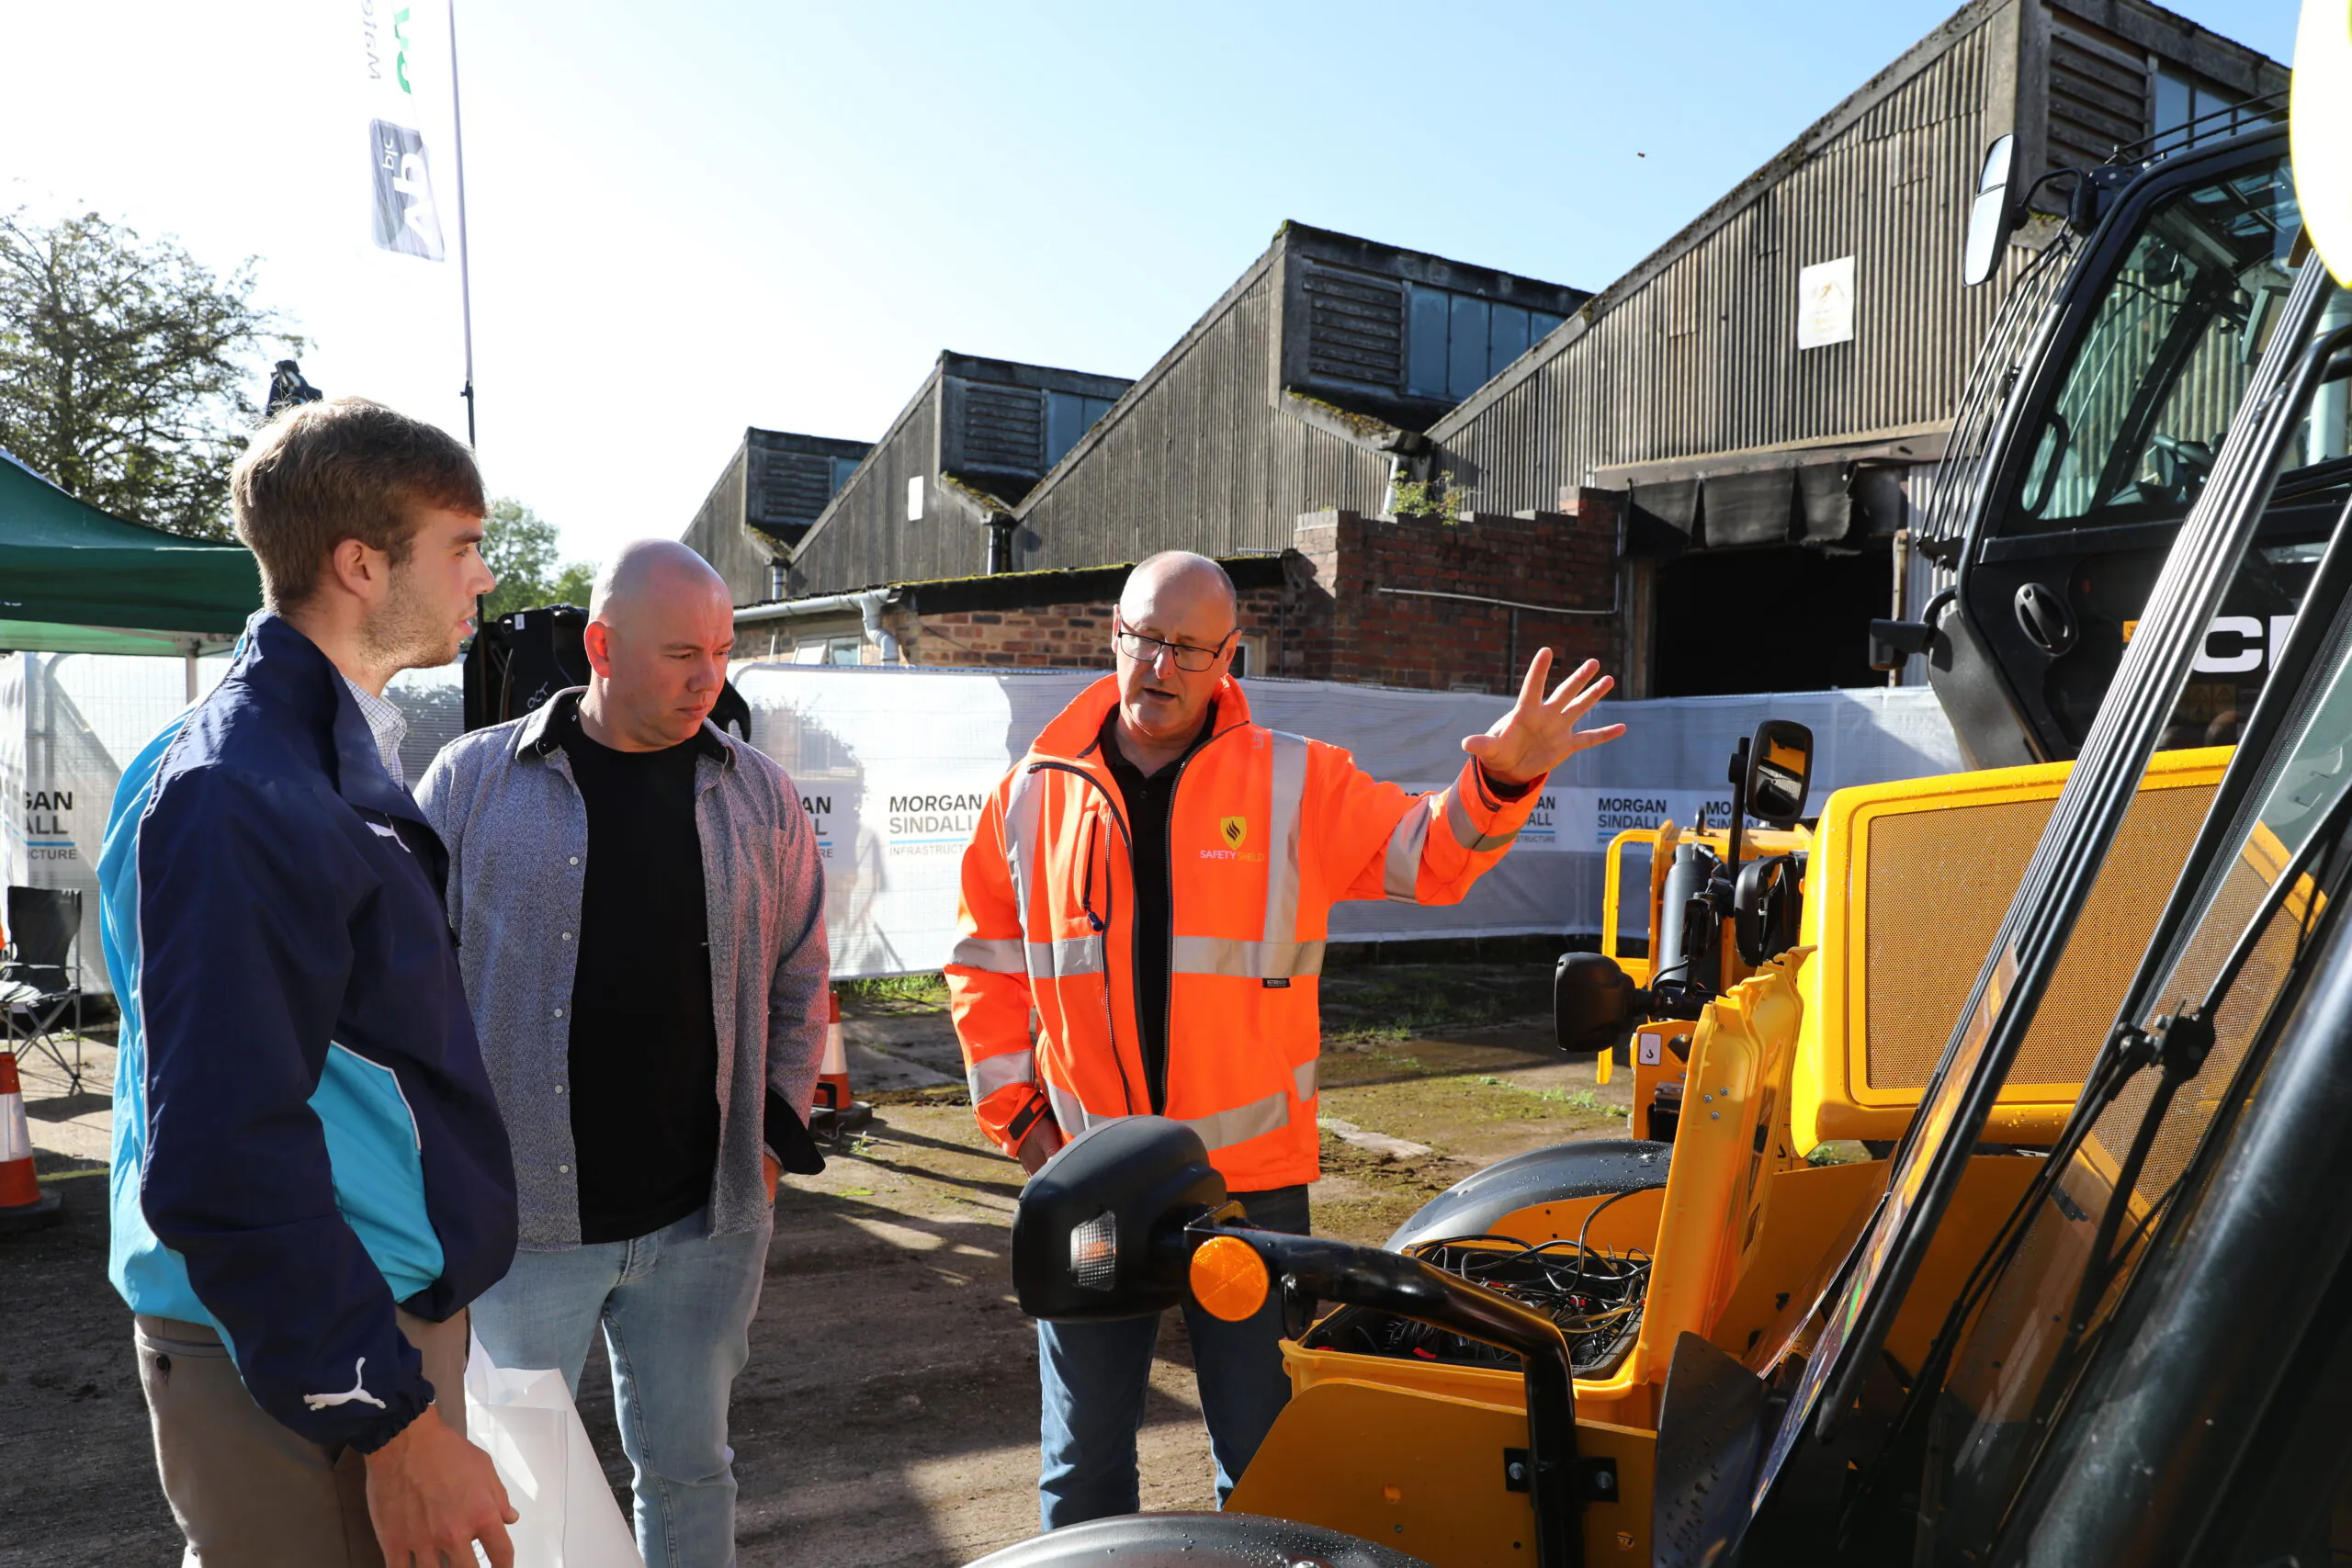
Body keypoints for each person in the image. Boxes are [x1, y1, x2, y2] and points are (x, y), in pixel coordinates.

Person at [947, 550, 1626, 1528]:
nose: (1162, 666)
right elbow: (983, 963)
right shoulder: (1029, 793)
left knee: (1264, 1458)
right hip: (1092, 1185)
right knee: (1081, 1467)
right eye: (1146, 639)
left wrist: (1501, 777)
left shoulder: (1296, 780)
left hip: (1248, 1193)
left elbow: (1431, 857)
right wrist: (1025, 1127)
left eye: (1190, 647)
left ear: (1230, 657)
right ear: (1114, 636)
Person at [96, 397, 520, 1567]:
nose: (485, 577)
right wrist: (384, 1415)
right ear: (360, 564)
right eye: (463, 546)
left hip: (332, 1320)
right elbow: (223, 1141)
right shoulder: (239, 789)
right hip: (308, 1351)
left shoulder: (294, 757)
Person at [415, 539, 830, 1568]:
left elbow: (799, 978)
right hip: (521, 1230)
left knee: (691, 1469)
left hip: (706, 1223)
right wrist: (440, 1171)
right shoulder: (470, 783)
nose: (709, 678)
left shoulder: (762, 794)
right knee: (523, 1489)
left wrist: (769, 1144)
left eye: (723, 651)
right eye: (682, 653)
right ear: (600, 647)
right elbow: (403, 993)